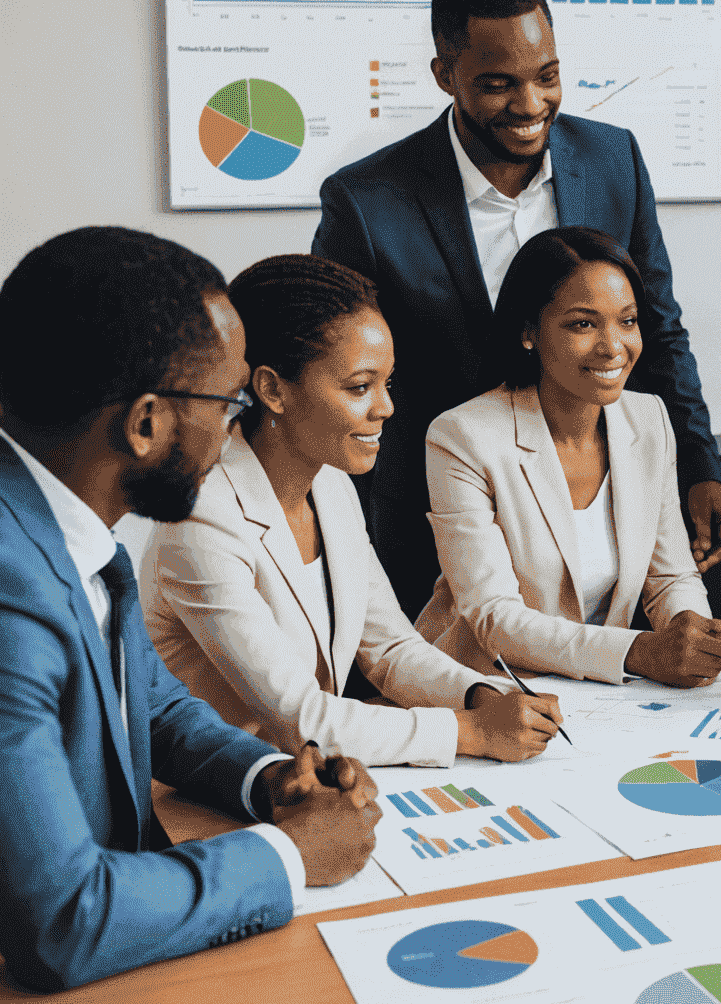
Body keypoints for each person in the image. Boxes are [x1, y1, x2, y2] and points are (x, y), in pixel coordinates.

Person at [0, 228, 381, 993]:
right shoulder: (10, 592)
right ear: (144, 423)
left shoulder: (71, 530)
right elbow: (65, 917)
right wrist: (291, 854)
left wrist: (272, 779)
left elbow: (153, 704)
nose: (235, 429)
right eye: (232, 401)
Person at [312, 0, 721, 617]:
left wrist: (699, 465)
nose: (532, 104)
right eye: (499, 84)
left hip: (593, 513)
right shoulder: (367, 203)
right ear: (444, 76)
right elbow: (339, 370)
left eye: (548, 76)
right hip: (432, 518)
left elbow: (658, 328)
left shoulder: (611, 160)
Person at [143, 254, 562, 767]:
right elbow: (300, 719)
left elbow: (389, 650)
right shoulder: (200, 517)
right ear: (273, 388)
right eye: (360, 387)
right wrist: (469, 731)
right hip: (214, 792)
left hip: (315, 781)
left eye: (387, 383)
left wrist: (483, 696)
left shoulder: (331, 483)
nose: (385, 407)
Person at [418, 227, 721, 688]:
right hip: (488, 691)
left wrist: (698, 642)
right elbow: (495, 618)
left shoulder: (648, 418)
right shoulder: (462, 437)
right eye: (583, 324)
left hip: (604, 695)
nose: (612, 347)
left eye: (627, 321)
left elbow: (670, 578)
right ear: (528, 331)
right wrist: (640, 651)